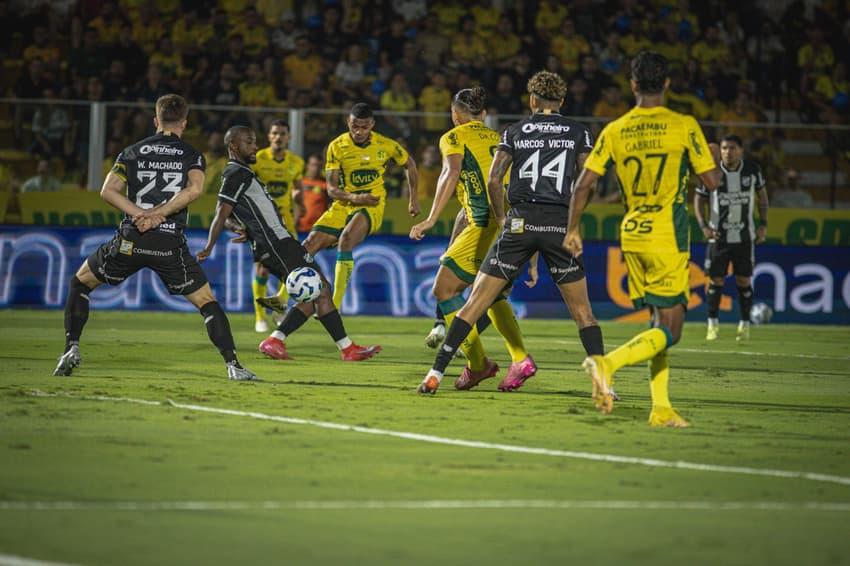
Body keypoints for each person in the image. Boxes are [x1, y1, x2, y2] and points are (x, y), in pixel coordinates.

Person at [417, 71, 605, 395]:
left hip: (507, 223)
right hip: (554, 222)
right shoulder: (510, 135)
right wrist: (566, 229)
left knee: (451, 292)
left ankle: (468, 366)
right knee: (561, 308)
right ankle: (596, 381)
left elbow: (471, 177)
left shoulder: (495, 134)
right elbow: (587, 180)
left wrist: (433, 218)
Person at [564, 51, 721, 427]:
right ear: (666, 84)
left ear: (632, 86)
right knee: (672, 330)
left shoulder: (615, 129)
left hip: (632, 234)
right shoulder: (683, 125)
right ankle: (607, 363)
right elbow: (711, 182)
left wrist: (571, 229)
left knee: (656, 321)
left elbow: (585, 183)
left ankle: (661, 408)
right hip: (667, 235)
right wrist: (710, 157)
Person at [53, 94, 258, 382]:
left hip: (131, 239)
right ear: (184, 123)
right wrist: (160, 214)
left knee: (81, 282)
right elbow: (194, 190)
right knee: (206, 301)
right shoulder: (191, 155)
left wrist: (141, 214)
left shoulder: (132, 151)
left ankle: (71, 347)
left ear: (155, 120)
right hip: (168, 243)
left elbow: (107, 191)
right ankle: (233, 365)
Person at [198, 125, 381, 363]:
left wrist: (245, 229)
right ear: (234, 146)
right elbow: (221, 213)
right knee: (321, 287)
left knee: (316, 292)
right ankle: (343, 348)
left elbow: (234, 216)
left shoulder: (242, 173)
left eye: (255, 142)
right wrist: (210, 245)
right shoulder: (235, 174)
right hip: (278, 245)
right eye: (249, 142)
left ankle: (278, 340)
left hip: (276, 243)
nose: (255, 147)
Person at [411, 87, 530, 391]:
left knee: (444, 289)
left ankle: (478, 363)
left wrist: (432, 218)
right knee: (492, 293)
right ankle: (520, 359)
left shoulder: (454, 136)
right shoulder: (500, 138)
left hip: (484, 223)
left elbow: (450, 173)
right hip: (511, 223)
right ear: (484, 115)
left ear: (454, 114)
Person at [300, 103, 419, 310]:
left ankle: (334, 305)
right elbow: (331, 189)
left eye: (364, 127)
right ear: (348, 122)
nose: (359, 132)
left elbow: (410, 164)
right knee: (307, 246)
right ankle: (282, 298)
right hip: (344, 203)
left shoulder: (386, 145)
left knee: (346, 238)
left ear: (372, 124)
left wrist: (413, 198)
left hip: (372, 204)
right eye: (354, 126)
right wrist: (356, 198)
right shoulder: (336, 146)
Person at [695, 133, 769, 342]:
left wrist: (763, 224)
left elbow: (762, 198)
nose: (728, 152)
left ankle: (744, 325)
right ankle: (712, 326)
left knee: (743, 281)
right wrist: (704, 226)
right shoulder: (711, 172)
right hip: (719, 238)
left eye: (732, 148)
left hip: (745, 237)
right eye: (725, 148)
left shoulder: (752, 170)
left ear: (741, 150)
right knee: (715, 281)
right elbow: (698, 200)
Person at [249, 120, 305, 332]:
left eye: (282, 133)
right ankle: (259, 317)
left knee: (294, 266)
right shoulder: (258, 159)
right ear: (269, 136)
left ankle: (280, 305)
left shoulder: (296, 163)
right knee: (262, 269)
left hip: (286, 220)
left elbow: (296, 188)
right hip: (262, 222)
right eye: (275, 133)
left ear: (288, 137)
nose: (279, 137)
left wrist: (300, 204)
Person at [294, 153, 329, 233]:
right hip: (300, 229)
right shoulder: (300, 183)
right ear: (307, 166)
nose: (315, 168)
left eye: (318, 166)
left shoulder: (326, 185)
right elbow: (296, 205)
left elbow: (329, 207)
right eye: (313, 165)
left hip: (318, 230)